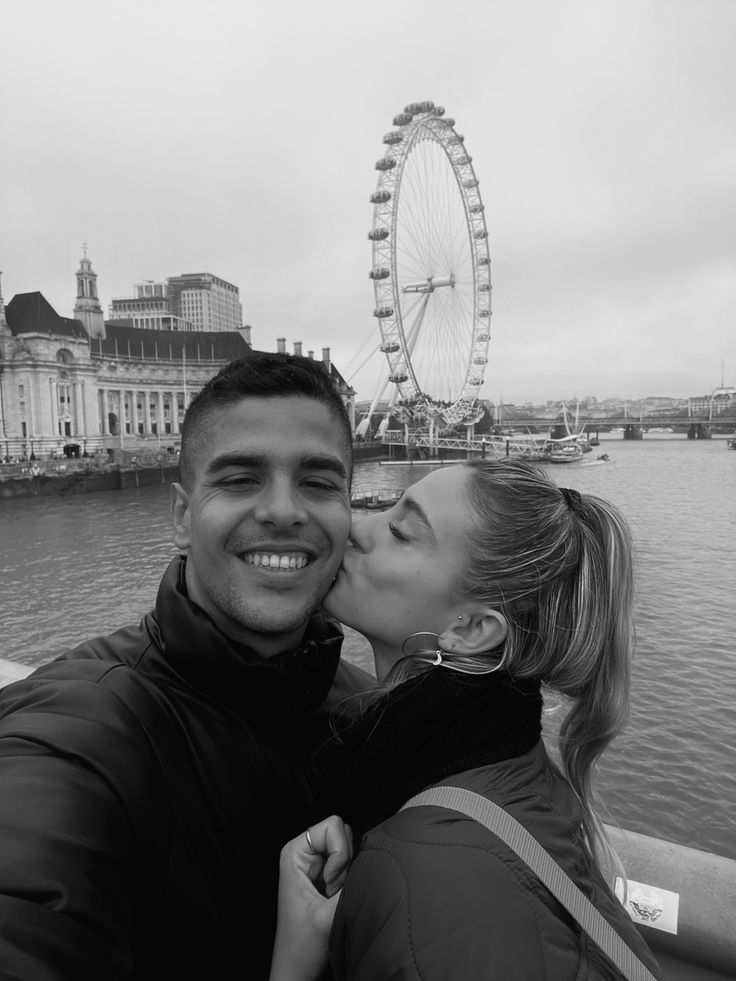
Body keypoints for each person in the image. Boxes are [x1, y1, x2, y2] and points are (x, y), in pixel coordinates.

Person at [0, 351, 362, 980]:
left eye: (319, 482)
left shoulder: (374, 712)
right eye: (240, 479)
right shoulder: (79, 727)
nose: (283, 510)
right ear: (180, 516)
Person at [272, 459, 661, 980]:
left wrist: (291, 964)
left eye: (400, 531)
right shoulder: (510, 770)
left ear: (473, 628)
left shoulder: (434, 876)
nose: (353, 527)